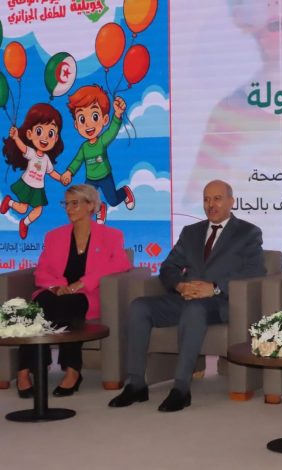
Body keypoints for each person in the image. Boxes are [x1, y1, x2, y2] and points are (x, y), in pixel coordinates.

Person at [108, 180, 265, 412]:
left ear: (231, 202)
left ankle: (181, 388)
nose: (211, 205)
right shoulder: (191, 232)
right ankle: (136, 383)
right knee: (139, 306)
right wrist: (180, 286)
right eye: (206, 199)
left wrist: (215, 287)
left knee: (195, 310)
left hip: (220, 302)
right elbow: (168, 267)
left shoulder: (248, 232)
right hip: (184, 298)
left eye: (217, 199)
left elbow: (255, 271)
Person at [15, 184, 131, 397]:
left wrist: (82, 283)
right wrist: (56, 287)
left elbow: (121, 264)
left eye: (74, 203)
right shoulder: (54, 236)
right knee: (40, 305)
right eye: (66, 204)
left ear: (91, 205)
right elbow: (41, 271)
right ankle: (26, 370)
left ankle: (71, 370)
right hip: (54, 292)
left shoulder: (111, 235)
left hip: (86, 295)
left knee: (68, 305)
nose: (68, 209)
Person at [60, 85, 134, 224]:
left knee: (113, 200)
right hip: (91, 179)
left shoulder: (101, 141)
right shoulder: (84, 147)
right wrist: (69, 172)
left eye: (94, 116)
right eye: (82, 119)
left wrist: (117, 115)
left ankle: (125, 192)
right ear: (76, 125)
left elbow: (111, 132)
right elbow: (77, 161)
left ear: (104, 120)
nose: (88, 124)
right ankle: (100, 208)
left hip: (105, 176)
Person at [1, 103, 66, 239]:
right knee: (23, 208)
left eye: (50, 133)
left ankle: (24, 223)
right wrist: (16, 137)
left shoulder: (46, 159)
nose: (45, 138)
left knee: (38, 210)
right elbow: (23, 148)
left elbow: (51, 172)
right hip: (27, 184)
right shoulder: (32, 153)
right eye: (39, 131)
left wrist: (61, 178)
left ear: (55, 138)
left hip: (38, 189)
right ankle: (9, 202)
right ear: (30, 134)